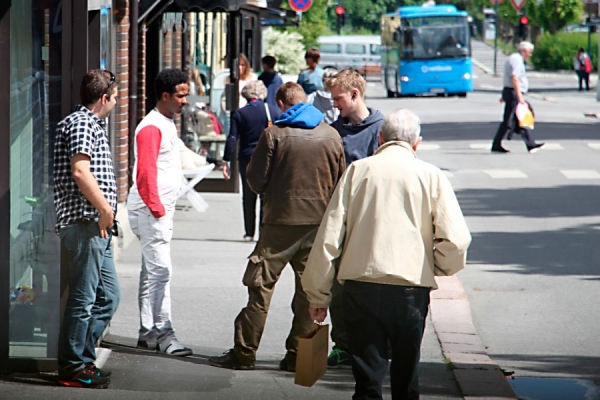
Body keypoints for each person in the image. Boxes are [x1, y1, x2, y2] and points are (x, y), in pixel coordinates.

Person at [302, 109, 472, 400]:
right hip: (410, 288)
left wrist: (318, 295)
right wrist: (438, 266)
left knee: (367, 379)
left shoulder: (358, 171)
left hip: (360, 285)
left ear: (380, 138)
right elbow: (456, 239)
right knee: (406, 376)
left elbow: (329, 237)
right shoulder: (431, 175)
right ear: (416, 143)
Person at [208, 82, 346, 372]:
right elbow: (340, 185)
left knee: (260, 289)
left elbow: (256, 182)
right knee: (310, 293)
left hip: (278, 224)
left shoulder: (274, 134)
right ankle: (301, 357)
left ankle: (244, 353)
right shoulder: (331, 136)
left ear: (282, 104)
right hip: (317, 226)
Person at [53, 69, 120, 389]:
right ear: (104, 98)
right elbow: (81, 172)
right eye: (116, 98)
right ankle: (72, 367)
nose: (116, 104)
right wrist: (105, 209)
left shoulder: (90, 123)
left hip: (97, 227)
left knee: (107, 297)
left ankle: (82, 357)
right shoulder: (81, 122)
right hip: (85, 224)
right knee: (83, 300)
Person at [127, 68, 193, 357]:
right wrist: (157, 209)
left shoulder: (163, 122)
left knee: (151, 273)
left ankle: (149, 332)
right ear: (165, 96)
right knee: (161, 272)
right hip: (152, 211)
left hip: (153, 209)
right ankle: (165, 334)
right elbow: (145, 173)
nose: (185, 101)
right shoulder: (153, 126)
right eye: (181, 95)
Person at [325, 68, 385, 369]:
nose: (335, 105)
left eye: (338, 99)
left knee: (374, 285)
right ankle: (343, 345)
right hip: (343, 220)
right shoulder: (335, 130)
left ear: (354, 94)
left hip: (373, 221)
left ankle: (375, 346)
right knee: (339, 287)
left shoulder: (381, 129)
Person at [222, 80, 281, 241]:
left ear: (246, 95)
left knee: (248, 195)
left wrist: (226, 159)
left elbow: (232, 138)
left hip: (246, 157)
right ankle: (263, 231)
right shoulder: (273, 111)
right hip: (268, 158)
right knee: (265, 195)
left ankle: (249, 232)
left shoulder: (240, 113)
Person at [491, 41, 544, 154]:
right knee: (513, 119)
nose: (530, 55)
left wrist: (505, 95)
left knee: (518, 118)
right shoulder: (517, 60)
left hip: (511, 92)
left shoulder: (515, 58)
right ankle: (528, 144)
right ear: (523, 51)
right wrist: (519, 96)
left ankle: (529, 144)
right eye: (529, 52)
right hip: (514, 93)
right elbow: (514, 78)